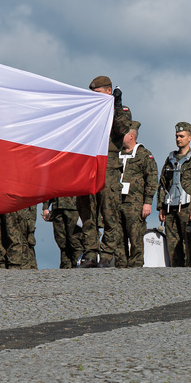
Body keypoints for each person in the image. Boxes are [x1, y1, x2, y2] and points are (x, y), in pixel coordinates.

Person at [79, 76, 132, 268]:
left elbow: (122, 129)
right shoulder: (87, 111)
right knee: (87, 211)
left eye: (98, 94)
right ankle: (90, 253)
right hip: (88, 163)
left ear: (109, 92)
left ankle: (107, 254)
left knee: (110, 212)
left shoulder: (121, 111)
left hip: (108, 164)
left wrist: (116, 106)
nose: (95, 98)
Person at [157, 122, 191, 266]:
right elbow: (163, 183)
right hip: (171, 208)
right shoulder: (170, 158)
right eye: (177, 136)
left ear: (189, 138)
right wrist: (161, 206)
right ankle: (175, 279)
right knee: (173, 247)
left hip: (188, 208)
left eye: (182, 136)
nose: (178, 139)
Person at [117, 122, 158, 267]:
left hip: (135, 203)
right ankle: (120, 265)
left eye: (123, 134)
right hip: (117, 202)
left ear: (131, 136)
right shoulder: (117, 154)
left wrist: (147, 202)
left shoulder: (144, 154)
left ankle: (135, 267)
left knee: (135, 236)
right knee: (118, 236)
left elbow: (152, 178)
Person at [43, 196, 83, 269]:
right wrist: (45, 207)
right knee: (61, 240)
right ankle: (66, 267)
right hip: (57, 207)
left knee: (75, 240)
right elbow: (49, 186)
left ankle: (78, 265)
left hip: (74, 207)